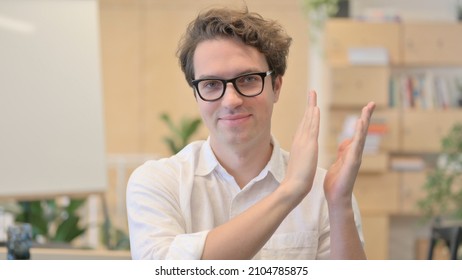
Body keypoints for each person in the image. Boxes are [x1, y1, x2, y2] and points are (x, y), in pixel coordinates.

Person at [126, 6, 375, 260]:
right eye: (211, 84)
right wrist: (289, 191)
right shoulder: (158, 183)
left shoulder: (324, 193)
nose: (231, 100)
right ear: (197, 95)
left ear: (276, 87)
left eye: (247, 79)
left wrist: (340, 204)